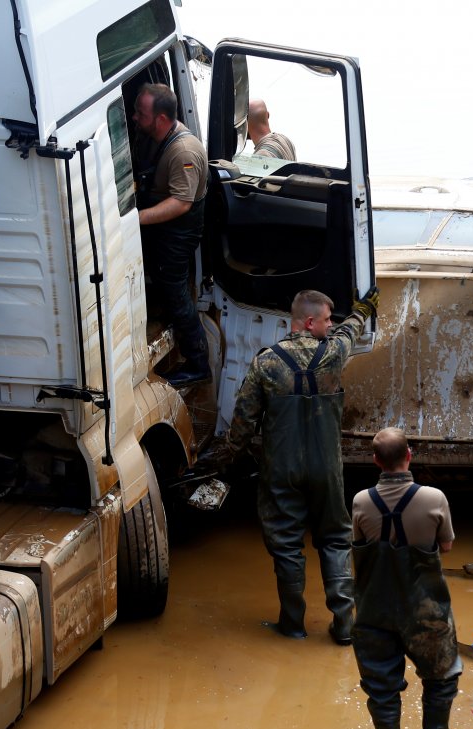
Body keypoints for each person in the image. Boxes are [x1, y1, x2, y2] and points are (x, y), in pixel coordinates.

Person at [221, 287, 379, 643]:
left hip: (281, 471)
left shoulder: (266, 362)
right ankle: (344, 626)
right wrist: (364, 308)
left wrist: (224, 461)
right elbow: (350, 330)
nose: (332, 325)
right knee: (336, 540)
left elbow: (243, 423)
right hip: (327, 470)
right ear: (310, 322)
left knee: (286, 544)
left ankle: (293, 625)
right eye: (326, 320)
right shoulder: (334, 354)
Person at [349, 427, 470, 729]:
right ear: (409, 455)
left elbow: (357, 544)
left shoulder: (360, 501)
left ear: (375, 461)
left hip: (373, 612)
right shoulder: (434, 498)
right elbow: (446, 546)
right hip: (426, 610)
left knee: (381, 686)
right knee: (442, 673)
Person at [132, 83, 211, 386]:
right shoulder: (155, 134)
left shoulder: (183, 151)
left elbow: (181, 203)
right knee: (162, 280)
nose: (135, 117)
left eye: (141, 113)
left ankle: (197, 363)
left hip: (180, 229)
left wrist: (135, 219)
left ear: (162, 119)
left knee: (175, 290)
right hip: (162, 223)